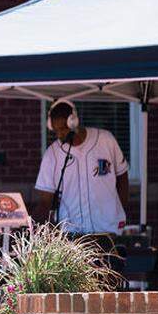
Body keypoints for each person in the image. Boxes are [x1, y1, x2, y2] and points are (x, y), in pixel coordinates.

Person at [33, 99, 129, 235]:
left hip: (109, 228)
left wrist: (120, 210)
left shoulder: (106, 140)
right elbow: (45, 201)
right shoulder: (52, 154)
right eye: (56, 131)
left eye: (63, 129)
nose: (59, 135)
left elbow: (122, 177)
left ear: (74, 122)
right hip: (73, 233)